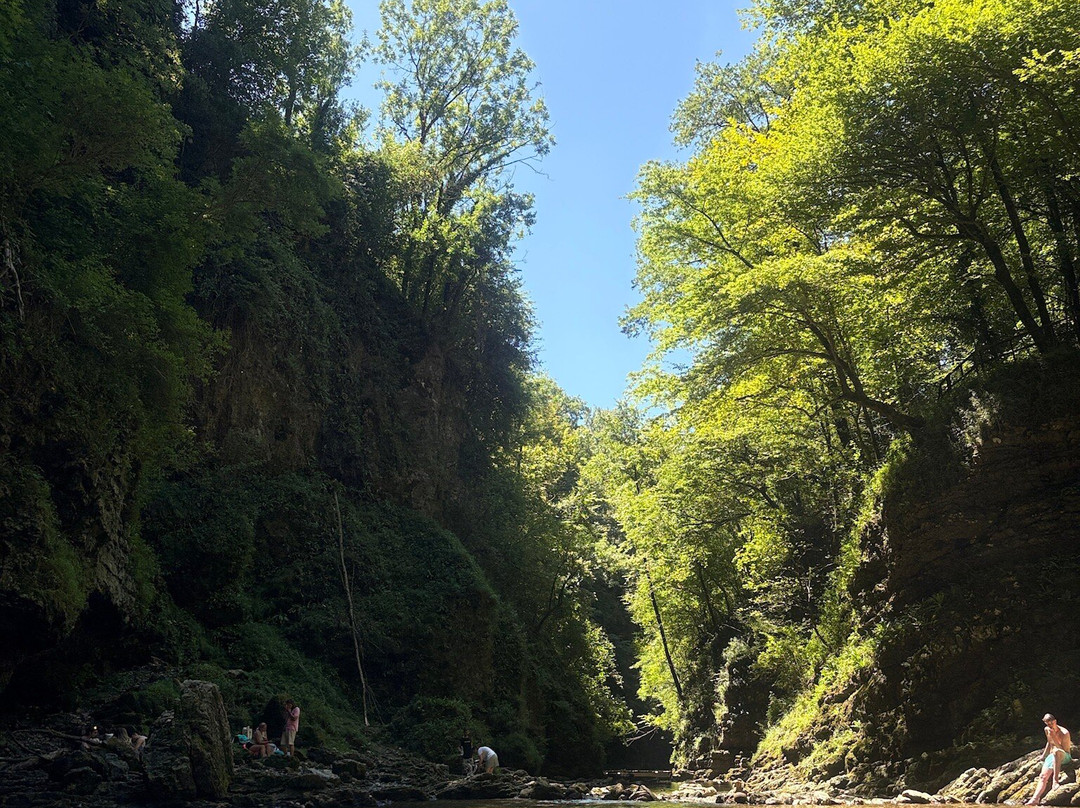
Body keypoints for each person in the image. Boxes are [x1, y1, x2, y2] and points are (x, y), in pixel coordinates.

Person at [1028, 713, 1072, 805]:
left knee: (1056, 751)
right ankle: (1035, 799)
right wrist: (1043, 756)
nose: (1049, 726)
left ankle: (1055, 781)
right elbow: (1049, 742)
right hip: (1053, 756)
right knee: (1043, 776)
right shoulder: (1047, 729)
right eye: (1047, 724)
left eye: (1051, 724)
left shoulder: (1064, 733)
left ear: (1055, 721)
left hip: (1064, 755)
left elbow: (1062, 750)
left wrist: (1054, 737)